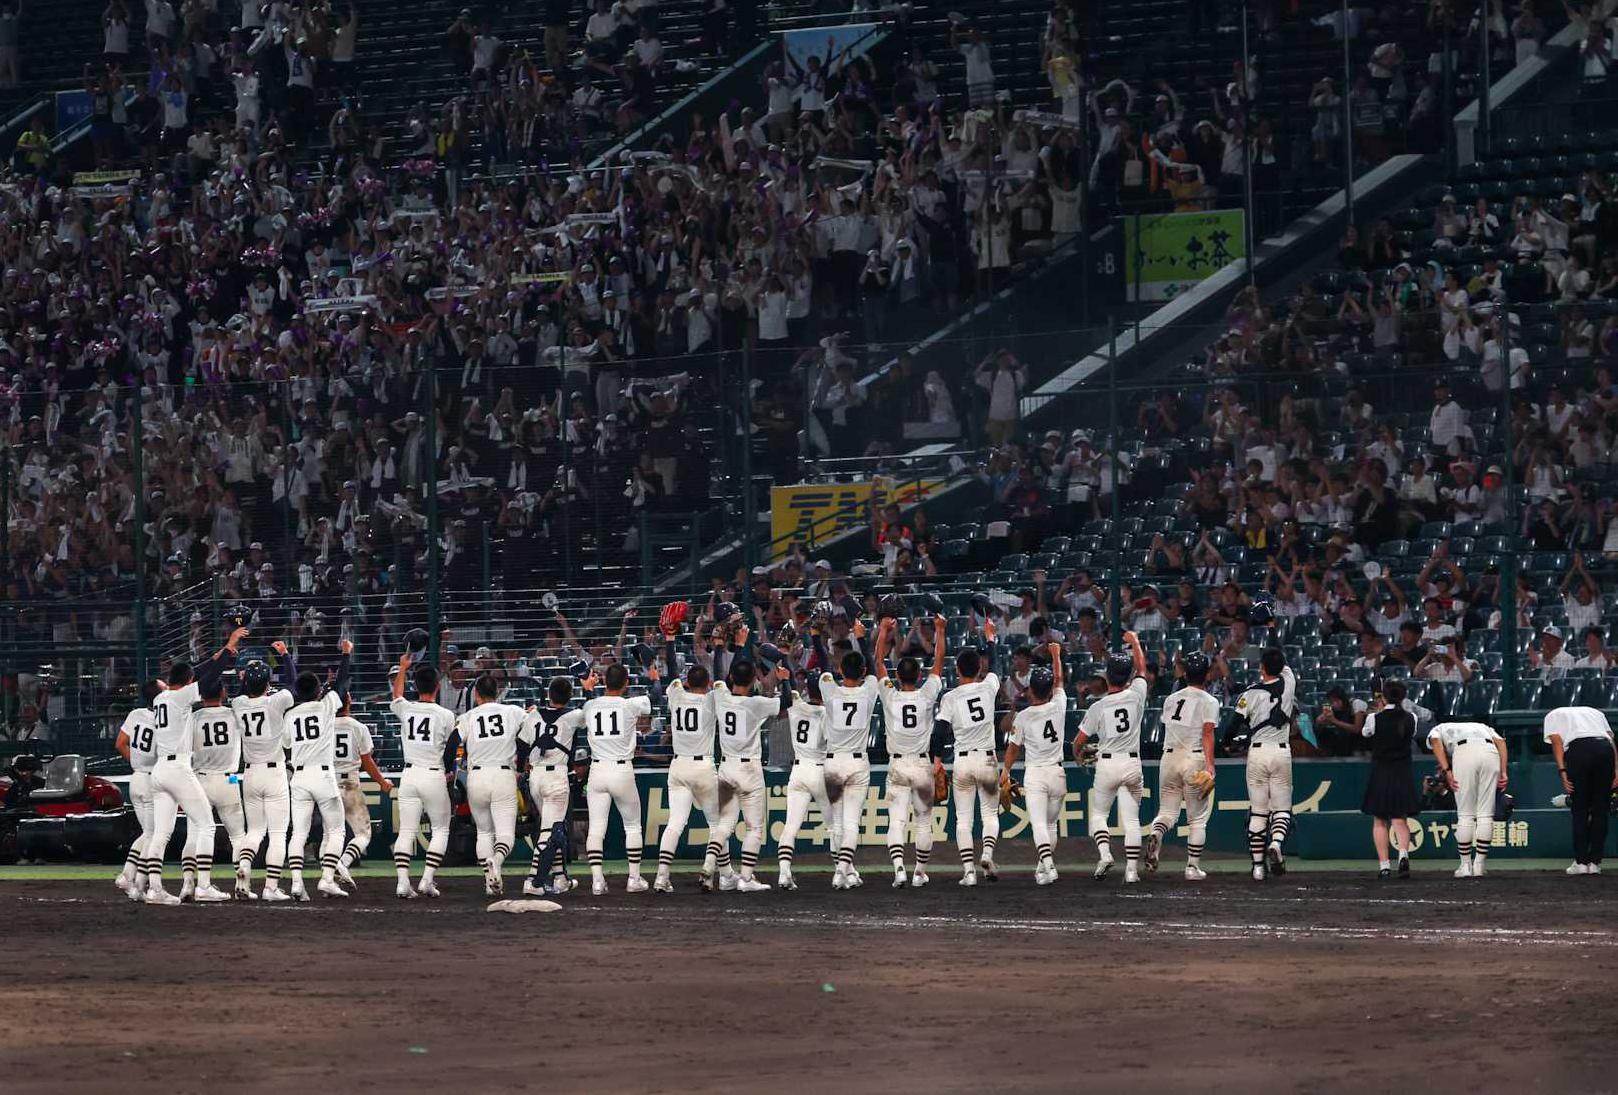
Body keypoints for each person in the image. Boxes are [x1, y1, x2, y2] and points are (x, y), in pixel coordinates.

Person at [139, 626, 245, 906]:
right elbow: (206, 676)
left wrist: (220, 653)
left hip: (159, 770)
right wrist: (229, 646)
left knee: (160, 834)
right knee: (207, 825)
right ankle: (204, 886)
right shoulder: (179, 696)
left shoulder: (162, 697)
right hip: (177, 770)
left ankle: (155, 889)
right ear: (186, 683)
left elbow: (196, 671)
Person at [875, 614, 947, 888]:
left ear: (897, 676)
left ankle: (898, 871)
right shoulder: (927, 693)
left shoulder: (890, 695)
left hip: (897, 766)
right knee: (924, 821)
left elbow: (878, 662)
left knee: (896, 821)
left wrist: (883, 631)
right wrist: (939, 630)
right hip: (921, 765)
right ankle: (919, 872)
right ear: (919, 676)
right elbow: (939, 661)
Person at [282, 639, 355, 901]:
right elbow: (342, 684)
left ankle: (297, 884)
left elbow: (287, 744)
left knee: (298, 833)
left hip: (299, 777)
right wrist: (346, 654)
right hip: (322, 775)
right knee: (336, 831)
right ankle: (326, 879)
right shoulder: (326, 706)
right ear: (317, 691)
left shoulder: (290, 715)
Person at [1074, 632, 1149, 884]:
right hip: (1131, 763)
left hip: (1107, 763)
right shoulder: (1137, 693)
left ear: (1107, 675)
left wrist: (1077, 756)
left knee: (1098, 815)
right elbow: (1142, 669)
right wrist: (1136, 643)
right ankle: (1131, 871)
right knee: (1131, 820)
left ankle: (1105, 854)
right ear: (1128, 676)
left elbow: (1079, 742)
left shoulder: (1098, 706)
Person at [710, 658, 788, 892]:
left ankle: (710, 866)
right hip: (749, 770)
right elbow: (786, 702)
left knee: (724, 824)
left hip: (726, 767)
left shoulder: (721, 696)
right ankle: (745, 878)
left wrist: (724, 648)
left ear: (731, 678)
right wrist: (784, 679)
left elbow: (718, 676)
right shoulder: (756, 703)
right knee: (754, 827)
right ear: (754, 680)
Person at [936, 624, 1004, 886]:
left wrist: (937, 762)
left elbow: (940, 731)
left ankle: (968, 871)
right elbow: (996, 667)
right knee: (989, 815)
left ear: (957, 670)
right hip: (987, 759)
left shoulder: (950, 697)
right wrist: (990, 638)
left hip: (962, 761)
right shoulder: (988, 687)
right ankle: (987, 854)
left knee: (963, 819)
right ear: (979, 670)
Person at [1145, 651, 1219, 881]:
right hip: (1193, 757)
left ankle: (1156, 833)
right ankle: (1192, 867)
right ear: (1207, 674)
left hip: (1169, 758)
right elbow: (1207, 733)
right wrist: (1209, 765)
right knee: (1197, 818)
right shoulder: (1210, 701)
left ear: (1185, 673)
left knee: (1166, 812)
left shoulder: (1171, 699)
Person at [455, 672, 532, 896]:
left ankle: (490, 884)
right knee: (506, 835)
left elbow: (453, 744)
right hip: (503, 775)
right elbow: (531, 730)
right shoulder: (513, 712)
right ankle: (496, 861)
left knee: (483, 833)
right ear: (497, 693)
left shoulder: (468, 716)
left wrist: (451, 769)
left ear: (476, 694)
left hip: (476, 777)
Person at [389, 651, 458, 900]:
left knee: (406, 830)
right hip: (433, 774)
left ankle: (402, 882)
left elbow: (396, 695)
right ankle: (427, 879)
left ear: (415, 686)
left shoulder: (407, 709)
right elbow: (452, 747)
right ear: (438, 686)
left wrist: (402, 667)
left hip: (409, 775)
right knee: (440, 829)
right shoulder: (446, 715)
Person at [580, 664, 651, 894]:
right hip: (621, 770)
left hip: (597, 770)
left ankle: (597, 881)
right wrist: (653, 678)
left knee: (596, 830)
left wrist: (589, 689)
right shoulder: (630, 704)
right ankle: (634, 878)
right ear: (626, 683)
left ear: (604, 682)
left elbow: (589, 708)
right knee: (632, 826)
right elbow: (653, 702)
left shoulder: (590, 704)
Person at [232, 652, 296, 901]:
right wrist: (286, 656)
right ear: (268, 684)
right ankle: (270, 887)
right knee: (278, 833)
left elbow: (240, 693)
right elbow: (293, 685)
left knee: (255, 831)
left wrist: (245, 679)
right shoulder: (274, 702)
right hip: (274, 772)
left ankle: (245, 867)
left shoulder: (238, 704)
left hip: (250, 774)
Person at [819, 626, 879, 891]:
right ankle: (844, 870)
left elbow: (823, 666)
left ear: (840, 671)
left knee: (837, 822)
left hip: (832, 762)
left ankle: (841, 870)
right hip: (856, 763)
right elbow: (874, 670)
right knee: (851, 821)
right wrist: (863, 637)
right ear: (863, 673)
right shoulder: (869, 690)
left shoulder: (829, 689)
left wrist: (814, 636)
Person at [1002, 642, 1068, 885]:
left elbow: (1012, 748)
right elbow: (1059, 680)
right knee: (1051, 825)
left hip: (1037, 775)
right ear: (1049, 689)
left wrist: (1005, 771)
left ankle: (1048, 866)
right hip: (1058, 773)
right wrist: (1056, 655)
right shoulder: (1060, 705)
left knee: (1039, 824)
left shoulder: (1024, 716)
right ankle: (1043, 867)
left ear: (1031, 691)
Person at [1234, 645, 1298, 881]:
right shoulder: (1289, 683)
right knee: (1282, 809)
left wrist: (1231, 742)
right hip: (1281, 751)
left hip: (1257, 754)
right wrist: (1271, 628)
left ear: (1261, 668)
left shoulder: (1250, 693)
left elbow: (1232, 724)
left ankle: (1258, 867)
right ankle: (1277, 843)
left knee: (1259, 812)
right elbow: (1284, 663)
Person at [522, 676, 585, 897]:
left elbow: (521, 745)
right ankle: (533, 880)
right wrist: (587, 690)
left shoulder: (533, 715)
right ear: (569, 696)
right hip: (556, 776)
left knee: (553, 828)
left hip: (535, 777)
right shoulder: (573, 716)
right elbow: (591, 716)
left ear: (549, 695)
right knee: (551, 832)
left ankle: (560, 879)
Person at [187, 678, 248, 901]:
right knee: (238, 836)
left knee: (195, 834)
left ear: (201, 696)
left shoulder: (192, 718)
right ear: (222, 692)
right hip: (229, 779)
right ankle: (242, 882)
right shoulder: (234, 714)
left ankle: (188, 883)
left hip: (199, 780)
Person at [777, 675, 838, 891]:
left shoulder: (796, 704)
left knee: (790, 826)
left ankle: (784, 873)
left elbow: (789, 690)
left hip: (798, 770)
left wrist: (786, 676)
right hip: (819, 769)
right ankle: (842, 872)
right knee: (833, 827)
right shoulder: (826, 713)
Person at [1427, 719, 1508, 879]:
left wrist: (1447, 770)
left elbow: (1435, 742)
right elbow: (1501, 743)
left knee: (1465, 814)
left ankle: (1465, 866)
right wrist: (1504, 771)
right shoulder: (1484, 726)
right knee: (1485, 814)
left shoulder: (1439, 728)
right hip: (1490, 753)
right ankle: (1479, 865)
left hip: (1464, 752)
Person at [1544, 705, 1617, 875]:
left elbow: (1557, 742)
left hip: (1580, 752)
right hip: (1605, 752)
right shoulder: (1596, 712)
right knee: (1601, 810)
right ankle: (1595, 864)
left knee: (1580, 809)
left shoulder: (1553, 714)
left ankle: (1581, 862)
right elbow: (1610, 740)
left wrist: (1563, 772)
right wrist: (1617, 769)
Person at [1358, 682, 1420, 879]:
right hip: (1402, 772)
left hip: (1381, 772)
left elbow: (1365, 733)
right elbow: (1410, 733)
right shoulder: (1412, 718)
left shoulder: (1373, 718)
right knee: (1400, 819)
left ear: (1383, 697)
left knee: (1379, 821)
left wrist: (1379, 712)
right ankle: (1403, 854)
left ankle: (1384, 866)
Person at [331, 699, 393, 888]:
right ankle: (343, 863)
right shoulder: (358, 727)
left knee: (331, 834)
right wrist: (382, 782)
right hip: (349, 781)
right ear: (348, 703)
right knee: (363, 834)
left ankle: (328, 876)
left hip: (329, 781)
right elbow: (367, 761)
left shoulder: (324, 725)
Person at [113, 681, 162, 899]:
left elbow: (120, 743)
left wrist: (137, 762)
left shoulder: (136, 714)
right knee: (153, 835)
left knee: (147, 833)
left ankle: (128, 875)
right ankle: (143, 882)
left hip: (136, 778)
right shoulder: (164, 720)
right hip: (152, 779)